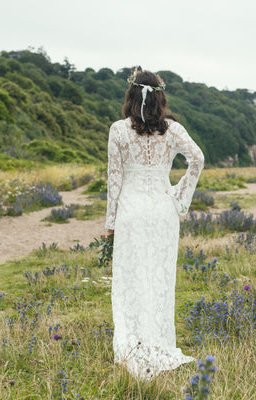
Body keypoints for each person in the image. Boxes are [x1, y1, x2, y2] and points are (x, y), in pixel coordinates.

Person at [105, 66, 204, 379]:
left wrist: (110, 223)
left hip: (131, 212)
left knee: (132, 277)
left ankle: (132, 344)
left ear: (130, 95)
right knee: (159, 278)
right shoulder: (172, 129)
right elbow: (198, 159)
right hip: (163, 210)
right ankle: (158, 343)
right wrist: (179, 198)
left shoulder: (118, 130)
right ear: (160, 97)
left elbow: (114, 179)